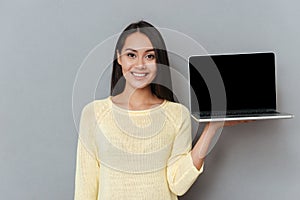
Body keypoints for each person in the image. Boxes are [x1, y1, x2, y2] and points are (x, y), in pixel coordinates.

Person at [74, 20, 249, 200]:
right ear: (119, 57)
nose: (140, 64)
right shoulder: (93, 114)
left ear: (159, 61)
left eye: (149, 56)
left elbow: (178, 184)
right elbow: (85, 189)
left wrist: (211, 128)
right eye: (131, 55)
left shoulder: (177, 114)